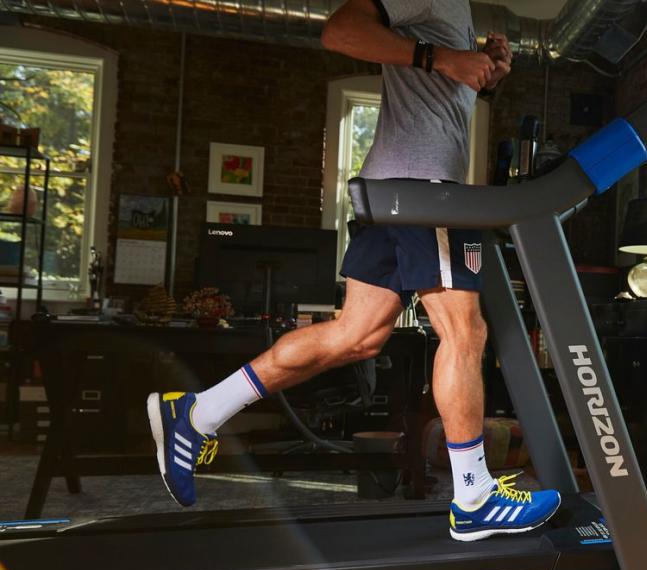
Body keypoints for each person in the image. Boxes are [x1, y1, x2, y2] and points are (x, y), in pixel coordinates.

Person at [146, 0, 561, 541]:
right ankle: (474, 495)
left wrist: (484, 73)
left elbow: (436, 89)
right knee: (464, 330)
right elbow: (340, 31)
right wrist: (444, 59)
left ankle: (198, 412)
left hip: (393, 192)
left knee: (355, 336)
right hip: (422, 193)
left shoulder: (456, 10)